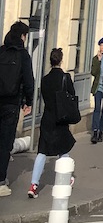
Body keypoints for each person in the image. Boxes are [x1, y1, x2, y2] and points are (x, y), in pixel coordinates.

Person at [28, 48, 76, 199]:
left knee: (42, 151)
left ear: (50, 61)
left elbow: (45, 98)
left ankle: (33, 185)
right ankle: (66, 178)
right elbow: (72, 95)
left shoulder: (44, 79)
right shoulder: (65, 77)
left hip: (47, 118)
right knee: (63, 148)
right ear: (61, 60)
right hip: (60, 118)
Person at [0, 21, 33, 198]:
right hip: (11, 104)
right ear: (22, 36)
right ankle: (0, 182)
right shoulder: (23, 55)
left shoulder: (1, 51)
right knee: (5, 143)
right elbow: (29, 81)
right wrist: (28, 102)